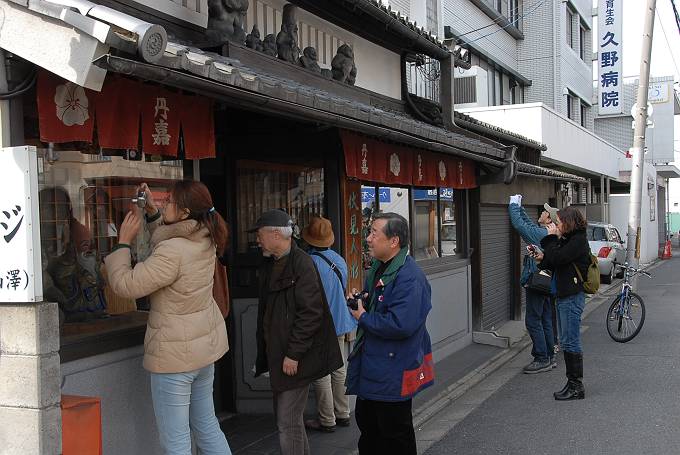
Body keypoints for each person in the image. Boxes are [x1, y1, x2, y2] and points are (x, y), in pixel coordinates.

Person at [105, 181, 231, 454]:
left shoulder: (173, 251)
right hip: (202, 351)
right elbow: (169, 243)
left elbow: (126, 285)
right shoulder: (205, 237)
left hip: (175, 357)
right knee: (207, 426)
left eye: (169, 202)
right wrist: (152, 214)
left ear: (185, 212)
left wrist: (123, 243)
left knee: (175, 440)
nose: (164, 205)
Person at [251, 209, 343, 455]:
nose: (257, 240)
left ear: (275, 234)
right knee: (291, 422)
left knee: (287, 422)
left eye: (260, 235)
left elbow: (311, 313)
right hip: (281, 355)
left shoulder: (301, 263)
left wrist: (294, 354)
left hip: (293, 358)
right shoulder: (273, 262)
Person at [346, 212, 434, 455]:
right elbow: (379, 303)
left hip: (393, 370)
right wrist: (361, 301)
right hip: (374, 366)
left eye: (374, 233)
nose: (368, 239)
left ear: (393, 241)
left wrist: (363, 316)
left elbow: (400, 324)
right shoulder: (380, 267)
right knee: (370, 429)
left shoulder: (410, 277)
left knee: (394, 436)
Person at [301, 216, 358, 433]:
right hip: (341, 320)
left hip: (320, 324)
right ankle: (343, 413)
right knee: (339, 369)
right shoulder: (339, 260)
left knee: (320, 373)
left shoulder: (308, 262)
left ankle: (327, 419)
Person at [532, 206, 590, 401]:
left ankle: (576, 386)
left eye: (558, 221)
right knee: (566, 341)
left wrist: (550, 238)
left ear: (568, 222)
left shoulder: (578, 240)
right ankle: (571, 383)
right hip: (564, 295)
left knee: (570, 341)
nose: (556, 225)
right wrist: (542, 257)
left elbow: (559, 256)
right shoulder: (569, 239)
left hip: (572, 297)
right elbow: (555, 261)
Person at [508, 195, 555, 374]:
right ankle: (549, 355)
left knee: (533, 321)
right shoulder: (544, 232)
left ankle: (541, 358)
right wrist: (519, 207)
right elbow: (527, 224)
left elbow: (520, 226)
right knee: (545, 318)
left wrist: (513, 204)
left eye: (544, 212)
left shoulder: (541, 234)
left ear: (549, 219)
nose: (542, 212)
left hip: (537, 282)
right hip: (547, 283)